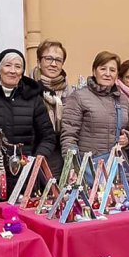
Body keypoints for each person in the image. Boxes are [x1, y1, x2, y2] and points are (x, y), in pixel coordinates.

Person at [0, 49, 57, 196]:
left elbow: (48, 137)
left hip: (27, 172)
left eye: (18, 67)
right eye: (8, 65)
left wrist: (35, 161)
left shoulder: (34, 100)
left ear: (22, 72)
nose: (12, 71)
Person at [61, 51, 129, 159]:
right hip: (89, 166)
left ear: (117, 75)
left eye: (112, 70)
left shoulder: (122, 100)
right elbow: (69, 136)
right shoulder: (78, 97)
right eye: (103, 69)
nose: (107, 74)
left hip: (117, 165)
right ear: (94, 71)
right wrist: (72, 164)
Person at [31, 40, 78, 176]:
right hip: (36, 154)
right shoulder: (28, 89)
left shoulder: (71, 93)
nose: (53, 64)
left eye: (58, 60)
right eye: (48, 59)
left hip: (62, 156)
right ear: (39, 61)